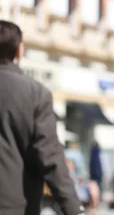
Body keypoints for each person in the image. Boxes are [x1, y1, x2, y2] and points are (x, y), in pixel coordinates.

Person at [0, 20, 84, 215]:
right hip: (16, 206)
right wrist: (74, 209)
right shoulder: (35, 94)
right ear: (19, 51)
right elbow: (50, 157)